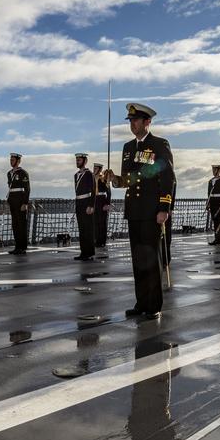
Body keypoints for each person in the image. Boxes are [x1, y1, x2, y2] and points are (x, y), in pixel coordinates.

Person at [104, 103, 176, 320]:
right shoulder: (128, 148)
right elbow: (129, 179)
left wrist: (164, 207)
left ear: (147, 122)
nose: (132, 124)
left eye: (136, 120)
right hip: (134, 210)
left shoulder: (159, 145)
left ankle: (153, 305)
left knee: (151, 260)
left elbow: (168, 178)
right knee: (138, 259)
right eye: (130, 121)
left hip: (152, 210)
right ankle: (141, 302)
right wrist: (114, 179)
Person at [7, 152, 30, 255]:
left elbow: (27, 189)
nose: (11, 161)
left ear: (18, 161)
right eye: (10, 160)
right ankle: (17, 246)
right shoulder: (9, 173)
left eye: (13, 160)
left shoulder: (23, 173)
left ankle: (23, 247)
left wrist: (25, 203)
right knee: (15, 224)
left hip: (20, 200)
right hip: (12, 201)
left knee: (21, 224)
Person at [73, 153, 95, 261]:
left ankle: (89, 253)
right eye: (77, 160)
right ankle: (83, 252)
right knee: (82, 229)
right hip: (79, 203)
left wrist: (91, 205)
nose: (77, 161)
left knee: (88, 229)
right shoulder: (76, 175)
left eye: (79, 160)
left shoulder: (88, 174)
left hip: (87, 203)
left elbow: (93, 190)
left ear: (85, 161)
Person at [93, 163, 111, 248]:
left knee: (102, 222)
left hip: (102, 200)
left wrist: (107, 203)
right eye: (94, 168)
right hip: (94, 200)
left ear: (100, 169)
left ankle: (102, 241)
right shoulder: (92, 177)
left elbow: (108, 192)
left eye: (96, 168)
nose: (94, 169)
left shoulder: (103, 178)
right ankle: (96, 240)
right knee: (95, 222)